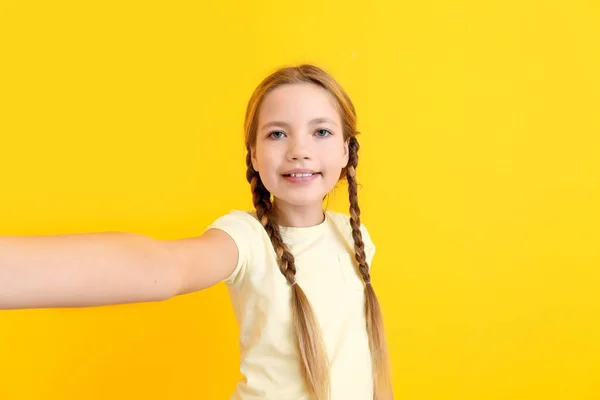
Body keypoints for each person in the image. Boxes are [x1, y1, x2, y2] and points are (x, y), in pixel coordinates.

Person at [0, 64, 392, 400]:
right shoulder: (246, 239)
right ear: (254, 155)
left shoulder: (353, 236)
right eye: (277, 134)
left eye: (320, 132)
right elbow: (166, 267)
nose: (298, 150)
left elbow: (368, 362)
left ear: (346, 150)